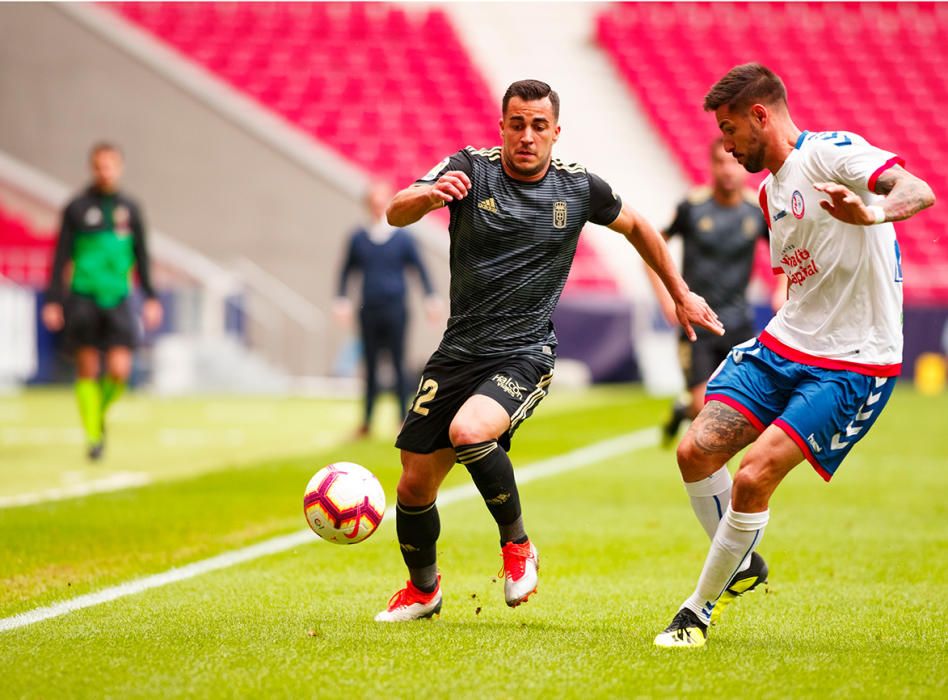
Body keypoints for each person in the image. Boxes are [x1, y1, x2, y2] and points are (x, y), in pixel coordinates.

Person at [374, 79, 723, 622]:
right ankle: (424, 591)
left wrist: (680, 294)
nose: (527, 136)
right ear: (502, 127)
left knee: (471, 432)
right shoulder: (469, 167)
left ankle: (518, 547)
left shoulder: (578, 187)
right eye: (517, 124)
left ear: (556, 132)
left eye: (539, 126)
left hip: (524, 351)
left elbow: (640, 228)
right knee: (414, 482)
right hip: (457, 350)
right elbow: (396, 211)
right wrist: (427, 194)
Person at [654, 63, 934, 648]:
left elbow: (917, 189)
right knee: (693, 451)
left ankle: (696, 614)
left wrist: (873, 211)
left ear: (761, 115)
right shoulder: (768, 190)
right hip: (788, 343)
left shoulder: (833, 154)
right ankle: (742, 559)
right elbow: (803, 279)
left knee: (754, 477)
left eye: (730, 130)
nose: (726, 147)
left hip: (853, 359)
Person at [649, 138, 786, 446]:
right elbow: (652, 250)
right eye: (720, 163)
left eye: (734, 163)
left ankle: (682, 408)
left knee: (746, 408)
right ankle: (690, 409)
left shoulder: (756, 211)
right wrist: (666, 300)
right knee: (705, 410)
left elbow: (788, 253)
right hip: (696, 325)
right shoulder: (692, 207)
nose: (728, 170)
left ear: (745, 166)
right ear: (711, 166)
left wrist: (782, 289)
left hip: (737, 323)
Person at [42, 143, 163, 461]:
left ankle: (98, 415)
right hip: (83, 295)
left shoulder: (130, 209)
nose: (104, 172)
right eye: (99, 166)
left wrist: (150, 296)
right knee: (87, 368)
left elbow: (142, 255)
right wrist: (54, 300)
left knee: (120, 371)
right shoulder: (77, 208)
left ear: (119, 167)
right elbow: (61, 255)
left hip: (119, 296)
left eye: (110, 166)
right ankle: (94, 436)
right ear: (92, 168)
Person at [334, 182, 440, 437]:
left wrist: (430, 298)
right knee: (369, 366)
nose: (378, 205)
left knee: (398, 363)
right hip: (369, 308)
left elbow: (419, 268)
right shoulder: (358, 237)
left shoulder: (403, 237)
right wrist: (341, 300)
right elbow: (346, 270)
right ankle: (367, 422)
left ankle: (402, 419)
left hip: (396, 308)